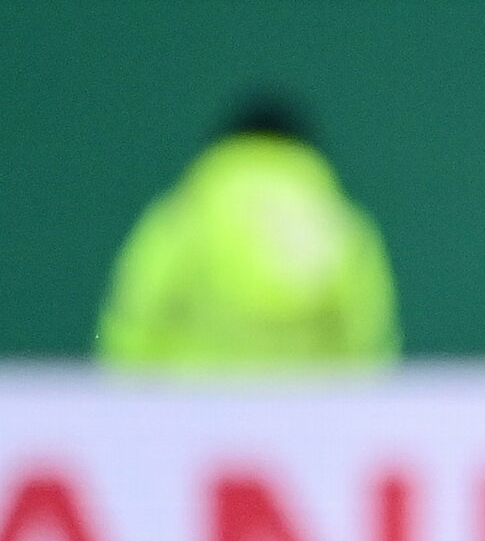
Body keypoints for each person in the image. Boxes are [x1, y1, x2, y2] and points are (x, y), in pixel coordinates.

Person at [96, 95, 400, 372]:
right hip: (303, 418)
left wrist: (131, 410)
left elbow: (134, 317)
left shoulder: (182, 215)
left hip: (193, 414)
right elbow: (367, 338)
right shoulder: (340, 222)